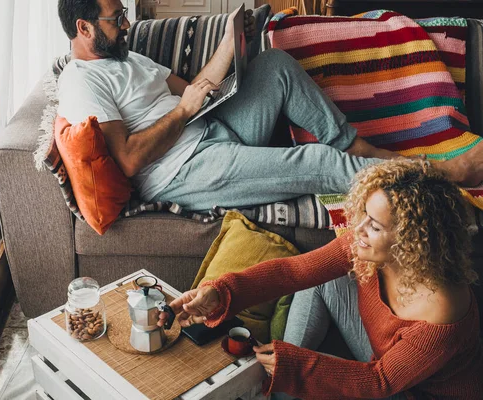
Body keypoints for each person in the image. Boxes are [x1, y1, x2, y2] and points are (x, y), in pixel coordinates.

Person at [57, 0, 483, 213]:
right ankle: (441, 173)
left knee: (274, 64)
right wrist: (183, 112)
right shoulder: (82, 81)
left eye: (124, 13)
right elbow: (129, 160)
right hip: (181, 170)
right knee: (315, 161)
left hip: (212, 127)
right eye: (117, 18)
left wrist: (230, 43)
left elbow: (194, 88)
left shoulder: (127, 58)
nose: (127, 23)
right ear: (83, 27)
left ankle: (356, 147)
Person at [158, 158, 482, 399]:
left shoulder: (443, 308)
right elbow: (294, 271)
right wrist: (221, 291)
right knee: (324, 278)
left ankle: (279, 378)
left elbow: (378, 383)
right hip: (381, 358)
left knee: (300, 367)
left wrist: (295, 365)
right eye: (364, 216)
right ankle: (276, 391)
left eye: (375, 226)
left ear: (413, 241)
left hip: (414, 391)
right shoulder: (365, 247)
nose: (359, 230)